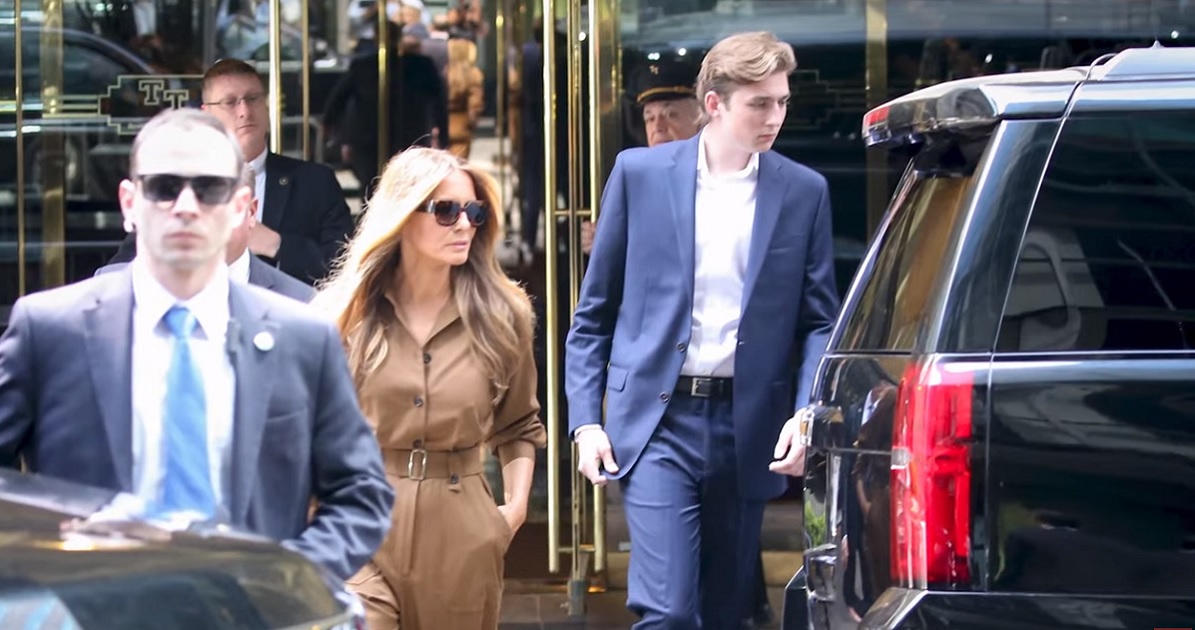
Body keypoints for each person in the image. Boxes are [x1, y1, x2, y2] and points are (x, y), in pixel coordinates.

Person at [0, 108, 394, 582]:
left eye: (208, 188)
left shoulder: (302, 336)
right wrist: (47, 557)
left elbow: (361, 491)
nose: (186, 205)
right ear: (129, 202)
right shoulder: (49, 329)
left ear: (240, 207)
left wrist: (291, 577)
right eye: (165, 187)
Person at [564, 31, 839, 628]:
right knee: (667, 610)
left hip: (748, 428)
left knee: (722, 610)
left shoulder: (803, 191)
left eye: (782, 102)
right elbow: (594, 315)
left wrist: (804, 412)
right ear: (714, 103)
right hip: (658, 422)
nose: (775, 117)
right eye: (759, 103)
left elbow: (819, 320)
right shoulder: (639, 174)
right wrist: (586, 420)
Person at [313, 147, 546, 629]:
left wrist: (514, 510)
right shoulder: (342, 316)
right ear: (402, 215)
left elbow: (519, 422)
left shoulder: (503, 316)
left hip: (461, 528)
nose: (463, 224)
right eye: (445, 210)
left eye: (474, 212)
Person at [109, 59, 356, 286]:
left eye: (253, 99)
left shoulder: (314, 182)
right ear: (207, 114)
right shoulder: (175, 188)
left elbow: (349, 268)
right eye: (230, 102)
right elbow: (121, 269)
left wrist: (276, 244)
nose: (244, 111)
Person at [97, 164, 313, 303]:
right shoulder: (101, 293)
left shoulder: (303, 303)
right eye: (168, 193)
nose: (189, 211)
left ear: (250, 212)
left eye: (212, 196)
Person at [446, 37, 484, 158]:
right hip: (462, 128)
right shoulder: (473, 75)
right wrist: (471, 123)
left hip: (442, 126)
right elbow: (475, 104)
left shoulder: (442, 73)